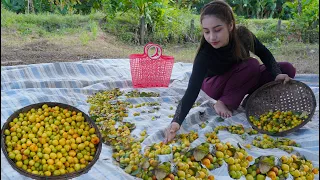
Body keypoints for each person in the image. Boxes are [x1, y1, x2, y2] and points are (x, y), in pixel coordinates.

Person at [163, 0, 296, 143]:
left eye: (217, 29)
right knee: (251, 64)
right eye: (206, 31)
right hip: (215, 85)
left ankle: (252, 99)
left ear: (230, 25)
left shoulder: (243, 35)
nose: (212, 37)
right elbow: (192, 90)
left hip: (242, 78)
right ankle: (223, 102)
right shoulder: (205, 53)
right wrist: (176, 121)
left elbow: (265, 54)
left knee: (287, 69)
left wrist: (276, 73)